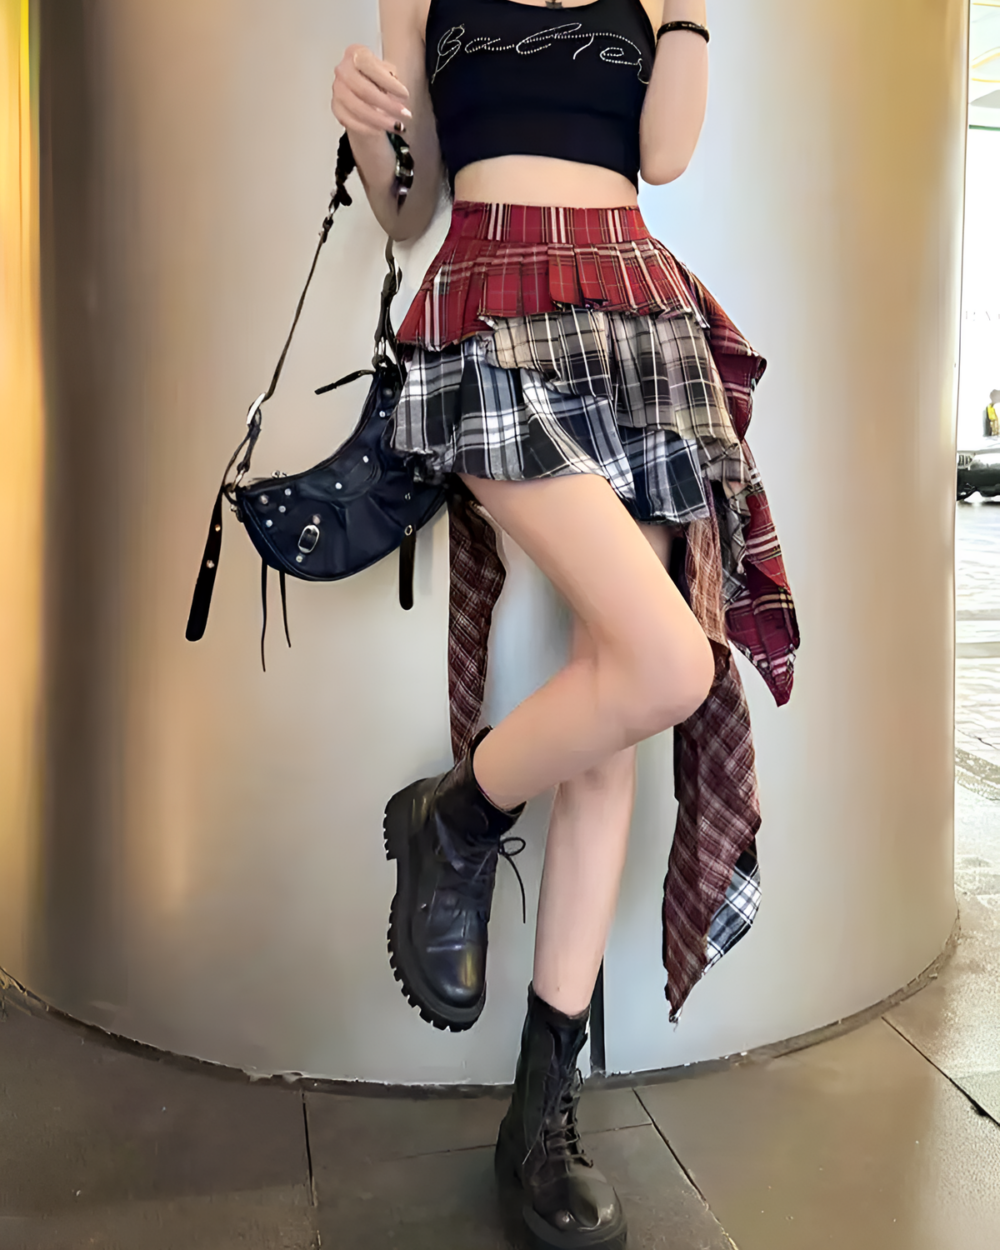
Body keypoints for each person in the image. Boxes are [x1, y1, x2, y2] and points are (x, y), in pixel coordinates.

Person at [332, 2, 797, 1246]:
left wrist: (689, 13)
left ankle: (540, 1113)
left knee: (617, 703)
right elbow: (405, 207)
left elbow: (666, 152)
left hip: (633, 314)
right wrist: (365, 122)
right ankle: (460, 813)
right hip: (487, 296)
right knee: (662, 661)